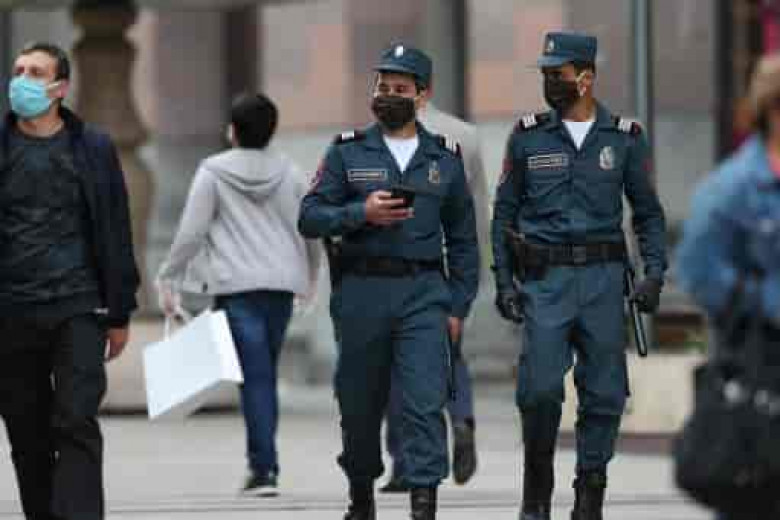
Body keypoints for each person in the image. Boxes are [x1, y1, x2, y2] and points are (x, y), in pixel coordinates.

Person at [490, 32, 667, 520]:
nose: (549, 82)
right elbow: (503, 215)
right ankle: (536, 495)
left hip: (603, 281)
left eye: (558, 74)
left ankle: (590, 493)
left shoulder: (624, 137)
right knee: (539, 390)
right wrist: (504, 283)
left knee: (605, 393)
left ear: (585, 78)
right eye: (546, 74)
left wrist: (654, 273)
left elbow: (647, 214)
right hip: (545, 281)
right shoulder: (527, 136)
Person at [299, 44, 480, 520]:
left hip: (423, 294)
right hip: (362, 292)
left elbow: (464, 240)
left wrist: (458, 304)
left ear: (423, 95)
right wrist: (361, 212)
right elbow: (309, 216)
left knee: (423, 402)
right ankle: (361, 495)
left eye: (400, 88)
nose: (388, 95)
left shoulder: (445, 158)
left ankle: (424, 503)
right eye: (382, 86)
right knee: (359, 405)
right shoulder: (346, 151)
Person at [156, 93, 321, 498]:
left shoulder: (213, 172)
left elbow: (191, 233)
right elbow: (311, 229)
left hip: (236, 289)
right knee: (264, 374)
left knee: (255, 378)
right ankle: (263, 465)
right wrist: (311, 278)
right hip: (280, 287)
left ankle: (263, 470)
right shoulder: (291, 173)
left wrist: (168, 276)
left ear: (232, 130)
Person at [0, 42, 139, 520]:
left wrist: (120, 310)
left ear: (60, 88)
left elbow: (116, 228)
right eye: (18, 70)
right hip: (11, 310)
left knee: (76, 419)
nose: (21, 80)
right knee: (27, 432)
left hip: (78, 306)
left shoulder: (93, 148)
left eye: (35, 72)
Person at [676, 53, 780, 520]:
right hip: (759, 373)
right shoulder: (732, 188)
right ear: (773, 109)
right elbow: (697, 270)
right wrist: (763, 301)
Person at [381, 94, 485, 492]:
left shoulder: (384, 135)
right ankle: (460, 417)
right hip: (449, 263)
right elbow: (478, 211)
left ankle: (405, 462)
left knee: (397, 362)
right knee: (450, 351)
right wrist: (472, 274)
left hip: (403, 262)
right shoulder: (465, 135)